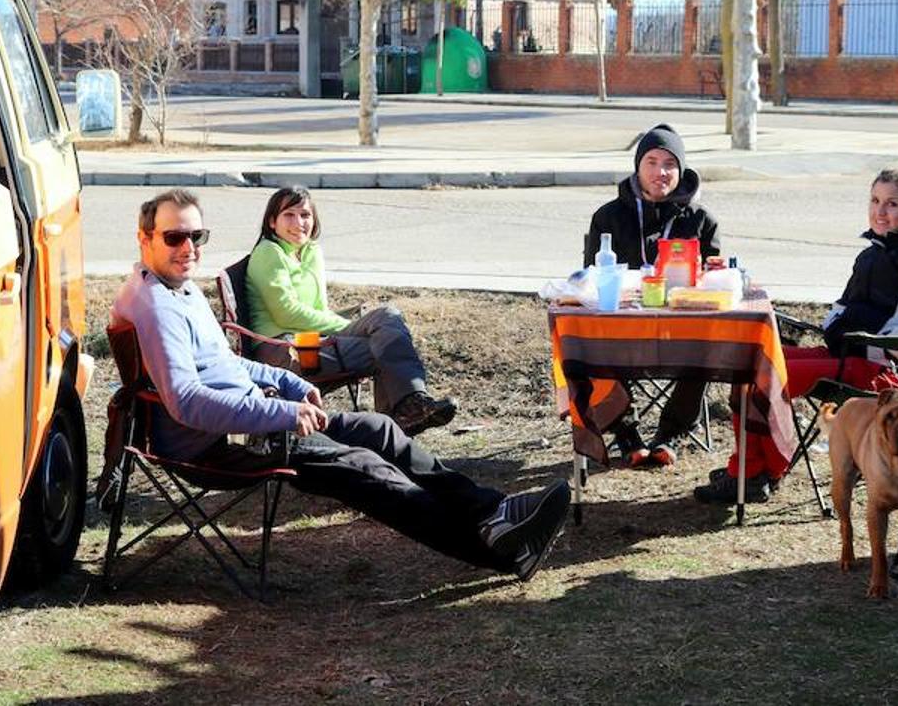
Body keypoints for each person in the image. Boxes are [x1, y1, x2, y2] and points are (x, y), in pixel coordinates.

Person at [111, 189, 570, 581]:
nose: (188, 247)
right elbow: (186, 401)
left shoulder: (178, 289)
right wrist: (285, 414)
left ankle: (495, 511)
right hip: (220, 447)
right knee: (366, 468)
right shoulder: (156, 306)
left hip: (256, 420)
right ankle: (498, 549)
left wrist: (287, 383)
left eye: (197, 236)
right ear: (144, 237)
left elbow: (229, 364)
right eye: (175, 237)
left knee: (379, 430)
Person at [693, 165, 898, 504]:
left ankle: (756, 473)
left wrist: (882, 347)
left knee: (766, 377)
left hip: (883, 369)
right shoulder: (874, 251)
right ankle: (751, 468)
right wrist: (834, 328)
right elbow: (843, 305)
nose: (880, 211)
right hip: (844, 354)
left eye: (891, 204)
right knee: (751, 363)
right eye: (875, 200)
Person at [246, 185, 456, 436]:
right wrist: (343, 328)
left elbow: (318, 308)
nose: (298, 222)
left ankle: (410, 403)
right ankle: (399, 421)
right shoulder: (269, 252)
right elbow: (287, 314)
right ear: (272, 222)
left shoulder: (310, 252)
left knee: (387, 316)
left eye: (305, 215)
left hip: (309, 340)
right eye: (289, 215)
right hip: (285, 350)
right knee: (382, 348)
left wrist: (341, 327)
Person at [584, 124, 722, 467]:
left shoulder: (702, 221)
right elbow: (590, 277)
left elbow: (712, 279)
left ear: (682, 170)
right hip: (622, 330)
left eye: (670, 164)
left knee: (709, 345)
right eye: (652, 161)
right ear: (638, 166)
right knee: (585, 343)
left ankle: (670, 434)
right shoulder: (607, 217)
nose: (661, 172)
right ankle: (626, 433)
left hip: (681, 330)